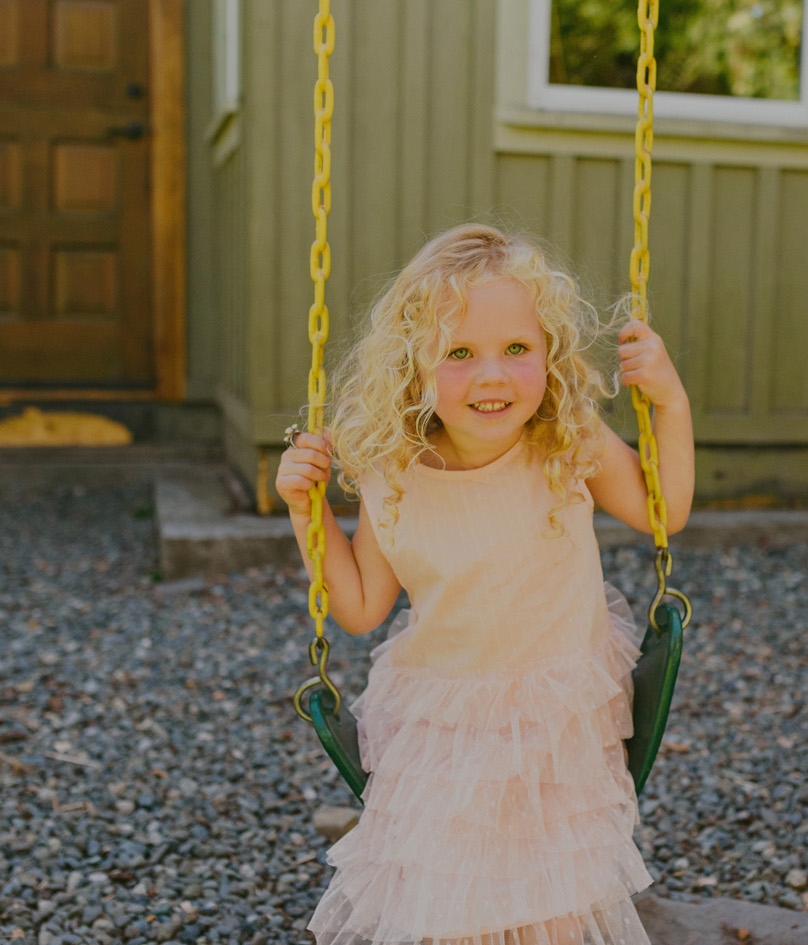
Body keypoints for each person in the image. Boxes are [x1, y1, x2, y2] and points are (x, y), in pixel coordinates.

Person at [276, 223, 694, 945]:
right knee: (446, 904)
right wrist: (304, 508)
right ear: (414, 365)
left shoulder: (567, 440)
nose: (492, 376)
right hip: (442, 724)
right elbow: (359, 606)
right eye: (459, 353)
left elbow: (665, 511)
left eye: (516, 350)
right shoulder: (393, 472)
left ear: (550, 355)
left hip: (558, 714)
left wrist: (670, 402)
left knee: (552, 903)